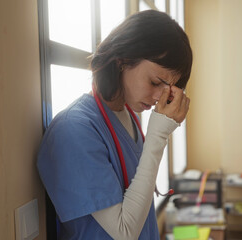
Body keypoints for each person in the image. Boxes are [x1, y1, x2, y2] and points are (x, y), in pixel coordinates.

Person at [37, 10, 192, 240]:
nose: (160, 97)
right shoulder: (74, 130)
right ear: (123, 60)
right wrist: (158, 135)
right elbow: (124, 232)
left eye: (169, 90)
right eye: (155, 82)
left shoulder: (129, 118)